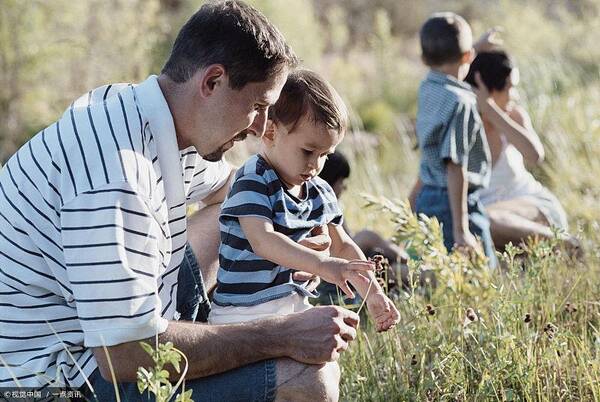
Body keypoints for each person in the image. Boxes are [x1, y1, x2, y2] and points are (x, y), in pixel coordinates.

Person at [0, 2, 361, 401]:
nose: (261, 127)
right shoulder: (115, 177)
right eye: (258, 106)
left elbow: (235, 190)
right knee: (308, 381)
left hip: (109, 328)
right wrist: (281, 335)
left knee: (239, 207)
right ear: (212, 82)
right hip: (52, 381)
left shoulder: (152, 115)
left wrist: (296, 245)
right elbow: (120, 356)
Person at [208, 69, 399, 332]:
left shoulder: (319, 190)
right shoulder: (253, 179)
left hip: (292, 305)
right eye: (308, 151)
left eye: (325, 155)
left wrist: (374, 292)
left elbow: (342, 246)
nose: (315, 164)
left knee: (332, 337)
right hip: (242, 312)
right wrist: (321, 264)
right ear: (271, 133)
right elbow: (263, 241)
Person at [464, 50, 579, 252]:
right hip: (488, 225)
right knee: (475, 228)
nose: (515, 95)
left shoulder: (514, 117)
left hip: (533, 209)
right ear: (488, 90)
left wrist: (491, 111)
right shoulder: (463, 127)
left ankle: (566, 244)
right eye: (510, 88)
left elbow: (535, 156)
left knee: (482, 220)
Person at [409, 12, 496, 266]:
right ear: (467, 56)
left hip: (427, 196)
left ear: (424, 58)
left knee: (439, 270)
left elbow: (450, 64)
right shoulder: (463, 103)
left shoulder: (428, 87)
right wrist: (462, 230)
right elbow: (455, 165)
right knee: (483, 273)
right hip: (454, 202)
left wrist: (475, 45)